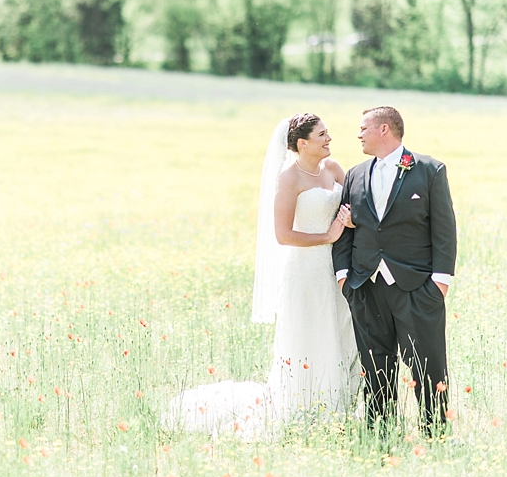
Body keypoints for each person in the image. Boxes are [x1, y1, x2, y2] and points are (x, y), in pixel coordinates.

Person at [164, 114, 358, 438]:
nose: (329, 139)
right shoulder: (289, 179)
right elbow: (283, 234)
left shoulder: (335, 169)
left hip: (335, 270)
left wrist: (349, 222)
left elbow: (350, 210)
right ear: (302, 143)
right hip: (306, 270)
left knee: (338, 331)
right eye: (322, 134)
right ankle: (306, 408)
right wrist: (328, 236)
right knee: (309, 336)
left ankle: (342, 405)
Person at [332, 106, 457, 437]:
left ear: (384, 129)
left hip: (417, 288)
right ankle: (379, 437)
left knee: (428, 366)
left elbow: (444, 230)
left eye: (363, 128)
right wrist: (344, 278)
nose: (358, 135)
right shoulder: (355, 174)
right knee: (375, 368)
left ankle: (435, 435)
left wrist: (440, 283)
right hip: (366, 286)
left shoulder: (429, 170)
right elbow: (346, 228)